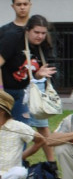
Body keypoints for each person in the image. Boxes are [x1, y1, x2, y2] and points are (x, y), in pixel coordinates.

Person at [0, 14, 58, 162]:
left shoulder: (43, 47)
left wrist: (38, 75)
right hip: (5, 91)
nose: (40, 36)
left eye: (43, 33)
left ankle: (18, 165)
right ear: (27, 30)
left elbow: (33, 74)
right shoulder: (13, 39)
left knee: (22, 131)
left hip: (22, 93)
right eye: (36, 32)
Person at [0, 89, 44, 179]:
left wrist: (22, 156)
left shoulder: (18, 127)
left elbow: (40, 140)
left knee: (20, 172)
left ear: (1, 111)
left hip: (8, 175)